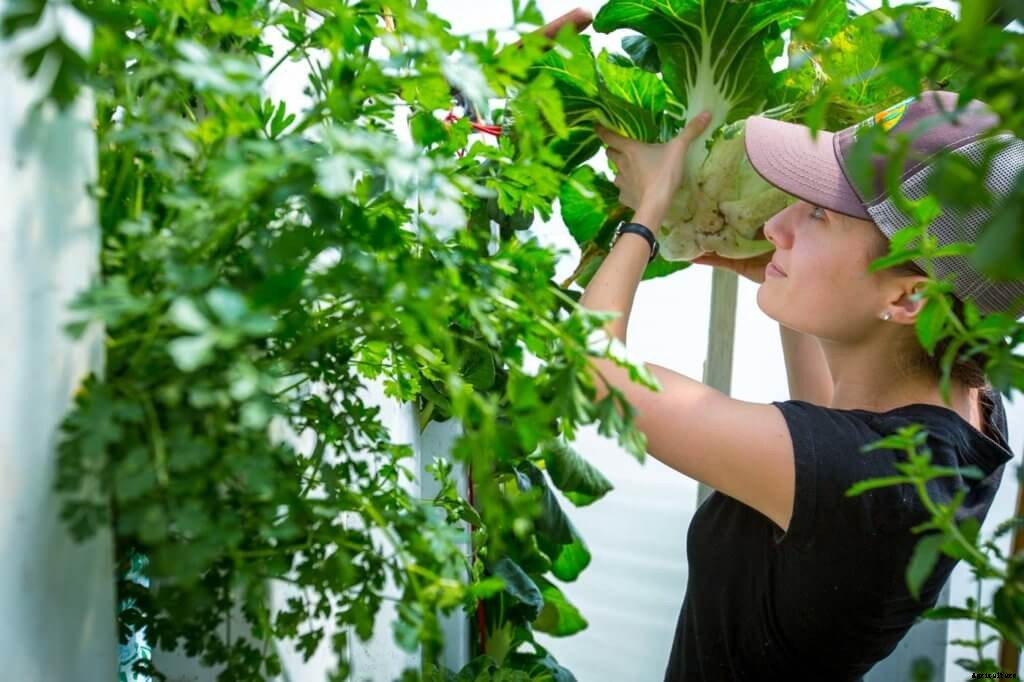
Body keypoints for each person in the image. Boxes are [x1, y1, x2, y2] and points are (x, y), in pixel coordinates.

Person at [584, 90, 1023, 680]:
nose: (774, 225)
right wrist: (788, 280)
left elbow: (594, 374)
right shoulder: (964, 409)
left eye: (819, 214)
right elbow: (831, 424)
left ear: (910, 297)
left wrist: (649, 211)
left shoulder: (868, 482)